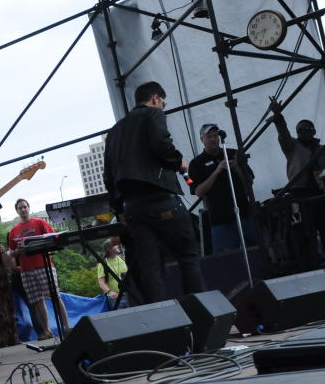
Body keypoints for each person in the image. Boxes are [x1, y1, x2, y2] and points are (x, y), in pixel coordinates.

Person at [103, 81, 205, 304]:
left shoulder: (115, 131)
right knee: (188, 256)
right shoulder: (153, 114)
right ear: (155, 98)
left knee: (151, 267)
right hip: (160, 199)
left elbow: (108, 176)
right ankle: (198, 313)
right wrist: (179, 162)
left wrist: (119, 209)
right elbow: (161, 144)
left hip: (132, 208)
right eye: (163, 103)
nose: (163, 108)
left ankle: (164, 318)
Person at [3, 199, 70, 340]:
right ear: (17, 211)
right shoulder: (14, 231)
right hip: (26, 270)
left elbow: (54, 239)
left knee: (55, 296)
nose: (23, 210)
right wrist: (16, 253)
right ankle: (46, 331)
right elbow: (12, 253)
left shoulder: (40, 223)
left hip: (44, 265)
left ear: (29, 208)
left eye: (25, 207)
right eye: (20, 208)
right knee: (37, 300)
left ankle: (67, 327)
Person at [269, 98, 325, 258]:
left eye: (306, 129)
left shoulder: (321, 150)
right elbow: (283, 134)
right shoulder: (292, 146)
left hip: (320, 193)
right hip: (300, 193)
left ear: (313, 131)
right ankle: (311, 261)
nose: (302, 132)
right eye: (299, 130)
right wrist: (278, 116)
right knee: (305, 231)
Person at [187, 124, 256, 252]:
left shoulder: (233, 153)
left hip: (245, 214)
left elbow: (249, 182)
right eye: (209, 136)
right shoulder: (196, 163)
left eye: (216, 136)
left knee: (257, 250)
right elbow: (199, 192)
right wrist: (218, 170)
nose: (214, 139)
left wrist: (237, 168)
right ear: (202, 139)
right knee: (226, 258)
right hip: (220, 220)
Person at [95, 238, 128, 309]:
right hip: (115, 299)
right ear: (109, 249)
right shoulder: (102, 264)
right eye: (115, 245)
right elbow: (101, 282)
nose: (118, 246)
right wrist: (110, 293)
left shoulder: (123, 259)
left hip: (128, 296)